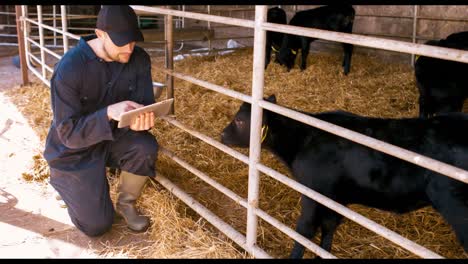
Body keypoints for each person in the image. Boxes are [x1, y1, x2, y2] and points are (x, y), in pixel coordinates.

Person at [43, 5, 158, 236]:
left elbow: (144, 104)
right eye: (121, 41)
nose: (129, 48)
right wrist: (107, 112)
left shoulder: (138, 58)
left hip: (115, 137)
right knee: (97, 226)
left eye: (133, 40)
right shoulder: (69, 68)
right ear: (99, 34)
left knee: (145, 146)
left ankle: (126, 203)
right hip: (74, 150)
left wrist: (141, 120)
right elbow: (68, 134)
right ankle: (64, 183)